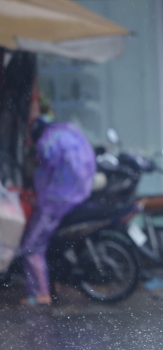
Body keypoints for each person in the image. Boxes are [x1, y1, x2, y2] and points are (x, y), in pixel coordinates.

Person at [20, 115, 96, 305]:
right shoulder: (68, 132)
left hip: (56, 200)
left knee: (32, 247)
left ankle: (40, 294)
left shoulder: (48, 139)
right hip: (77, 197)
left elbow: (45, 160)